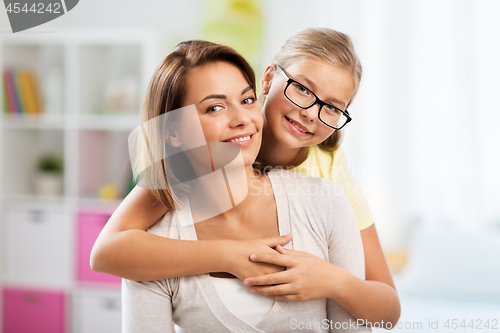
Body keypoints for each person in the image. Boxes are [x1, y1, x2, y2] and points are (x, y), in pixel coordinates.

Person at [92, 28, 400, 329]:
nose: (310, 113)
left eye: (331, 107)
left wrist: (333, 281)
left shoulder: (329, 178)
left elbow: (385, 308)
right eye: (303, 89)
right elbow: (109, 250)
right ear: (267, 79)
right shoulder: (196, 159)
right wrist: (229, 255)